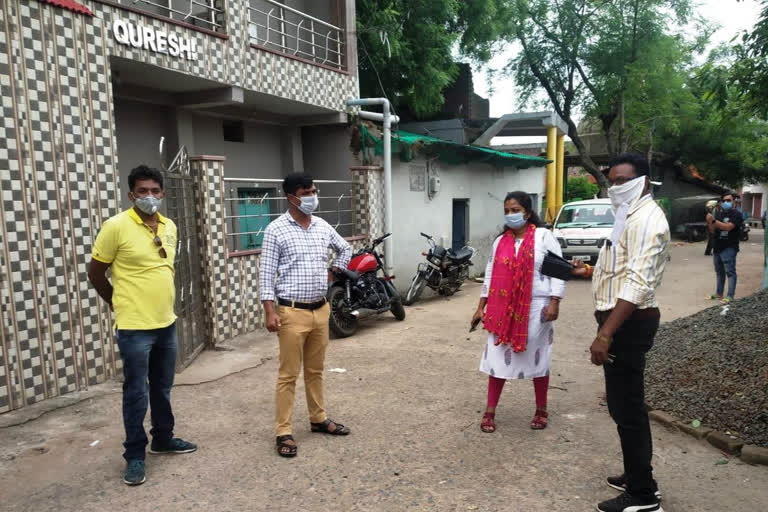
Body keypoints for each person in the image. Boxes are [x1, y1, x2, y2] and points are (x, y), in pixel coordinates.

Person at [88, 165, 197, 486]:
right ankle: (135, 454)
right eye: (142, 191)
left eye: (154, 191)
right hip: (134, 327)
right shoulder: (115, 227)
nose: (149, 197)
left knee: (162, 387)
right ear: (130, 194)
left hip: (166, 323)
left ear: (162, 193)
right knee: (136, 393)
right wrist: (116, 302)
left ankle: (163, 438)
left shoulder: (169, 226)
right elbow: (96, 273)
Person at [574, 153, 670, 512]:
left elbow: (637, 282)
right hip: (619, 322)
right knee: (624, 407)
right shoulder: (626, 215)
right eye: (611, 180)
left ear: (643, 181)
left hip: (628, 323)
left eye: (622, 180)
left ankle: (643, 497)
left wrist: (606, 334)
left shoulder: (647, 220)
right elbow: (617, 263)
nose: (615, 187)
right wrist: (589, 270)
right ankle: (639, 476)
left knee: (627, 409)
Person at [259, 173, 353, 458]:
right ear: (292, 197)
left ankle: (318, 419)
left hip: (320, 309)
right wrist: (269, 311)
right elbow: (266, 273)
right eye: (307, 192)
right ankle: (283, 432)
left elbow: (345, 247)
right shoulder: (276, 230)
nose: (313, 196)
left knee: (316, 371)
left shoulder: (322, 226)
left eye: (314, 190)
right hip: (291, 312)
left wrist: (334, 269)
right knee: (288, 375)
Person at [471, 191, 566, 433]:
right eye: (507, 211)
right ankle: (490, 410)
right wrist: (481, 306)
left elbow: (558, 270)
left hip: (536, 308)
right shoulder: (500, 241)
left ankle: (541, 409)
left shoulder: (544, 237)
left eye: (515, 210)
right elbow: (491, 275)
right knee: (496, 357)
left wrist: (555, 301)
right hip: (500, 308)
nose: (511, 215)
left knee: (539, 357)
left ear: (528, 211)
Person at [706, 192, 743, 304]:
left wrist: (713, 221)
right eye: (724, 201)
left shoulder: (736, 214)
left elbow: (728, 227)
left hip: (729, 247)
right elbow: (713, 230)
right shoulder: (718, 214)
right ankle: (719, 293)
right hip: (718, 247)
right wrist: (709, 222)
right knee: (719, 272)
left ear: (733, 202)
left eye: (729, 200)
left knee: (730, 272)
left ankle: (730, 295)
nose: (726, 202)